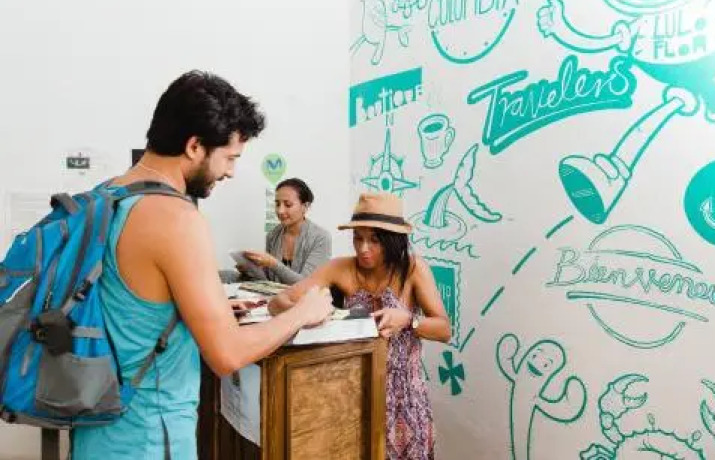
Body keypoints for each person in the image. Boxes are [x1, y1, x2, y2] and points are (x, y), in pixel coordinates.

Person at [72, 70, 333, 460]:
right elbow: (227, 354)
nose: (230, 171)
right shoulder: (175, 217)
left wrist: (202, 308)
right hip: (149, 438)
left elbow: (126, 303)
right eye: (230, 157)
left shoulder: (106, 195)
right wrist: (303, 313)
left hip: (94, 431)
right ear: (195, 146)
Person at [268, 192, 451, 460]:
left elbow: (444, 329)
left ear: (393, 241)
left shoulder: (413, 269)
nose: (363, 248)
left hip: (405, 398)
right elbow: (278, 302)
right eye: (357, 238)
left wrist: (408, 320)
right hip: (354, 391)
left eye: (374, 240)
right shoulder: (340, 268)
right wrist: (310, 314)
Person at [237, 178, 331, 284]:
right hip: (276, 294)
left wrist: (273, 263)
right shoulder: (273, 235)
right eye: (277, 204)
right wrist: (251, 270)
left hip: (305, 294)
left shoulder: (320, 238)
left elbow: (306, 284)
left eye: (288, 205)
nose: (280, 211)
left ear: (305, 206)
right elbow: (268, 280)